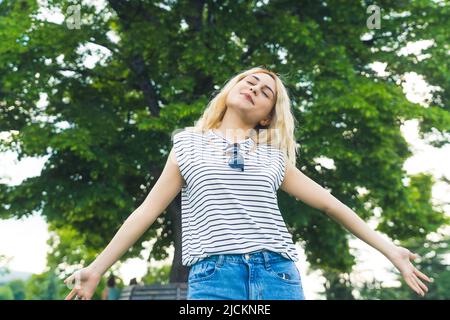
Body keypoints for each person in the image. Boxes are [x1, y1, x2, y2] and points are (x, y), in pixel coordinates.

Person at [64, 66, 432, 300]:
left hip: (277, 274)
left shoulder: (273, 155)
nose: (255, 88)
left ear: (267, 115)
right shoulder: (188, 144)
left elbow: (331, 204)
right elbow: (145, 211)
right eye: (249, 81)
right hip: (213, 276)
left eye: (265, 91)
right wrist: (96, 268)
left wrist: (391, 250)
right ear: (231, 89)